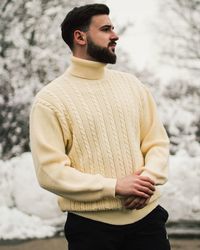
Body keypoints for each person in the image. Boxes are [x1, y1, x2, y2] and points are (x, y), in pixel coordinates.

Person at [30, 3, 171, 250]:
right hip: (91, 231)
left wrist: (145, 182)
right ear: (80, 36)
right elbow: (50, 171)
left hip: (148, 222)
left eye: (113, 28)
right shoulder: (50, 100)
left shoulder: (133, 86)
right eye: (106, 29)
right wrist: (114, 187)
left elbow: (157, 143)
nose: (115, 35)